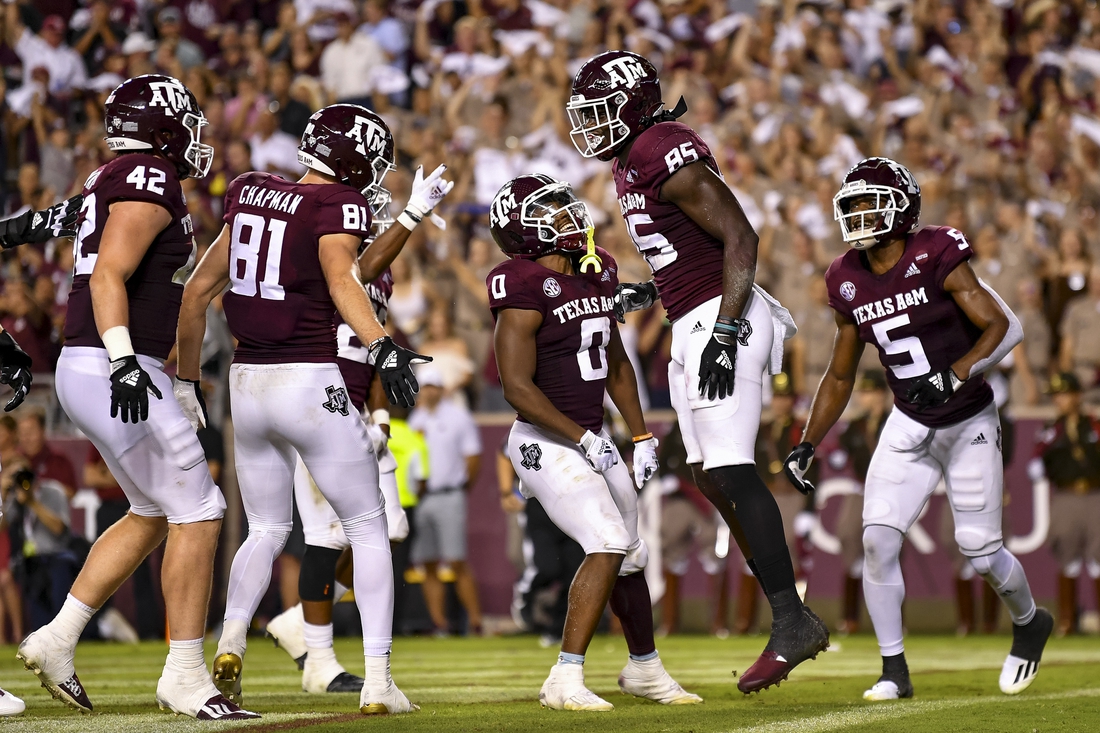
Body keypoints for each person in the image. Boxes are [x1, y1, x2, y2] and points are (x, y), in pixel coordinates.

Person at [176, 103, 450, 715]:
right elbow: (342, 279)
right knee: (368, 528)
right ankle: (378, 683)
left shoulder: (249, 190)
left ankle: (230, 642)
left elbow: (197, 292)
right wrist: (382, 348)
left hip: (245, 383)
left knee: (267, 529)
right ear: (353, 158)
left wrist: (187, 381)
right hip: (309, 379)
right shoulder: (337, 207)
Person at [568, 50, 823, 693]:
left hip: (722, 316)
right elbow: (687, 248)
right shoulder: (634, 160)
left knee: (733, 468)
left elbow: (742, 238)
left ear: (629, 104)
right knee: (710, 475)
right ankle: (787, 614)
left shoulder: (659, 146)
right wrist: (651, 294)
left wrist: (728, 328)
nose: (590, 126)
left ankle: (791, 620)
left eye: (598, 111)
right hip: (695, 316)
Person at [16, 74, 255, 720]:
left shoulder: (111, 175)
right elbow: (111, 272)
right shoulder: (150, 176)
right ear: (161, 126)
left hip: (94, 362)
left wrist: (18, 227)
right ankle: (183, 672)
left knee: (154, 511)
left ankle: (57, 637)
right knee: (200, 509)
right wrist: (126, 360)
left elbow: (70, 220)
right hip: (111, 362)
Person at [783, 156, 1053, 701]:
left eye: (869, 204)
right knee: (878, 539)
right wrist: (807, 440)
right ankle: (893, 671)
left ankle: (1029, 621)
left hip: (968, 418)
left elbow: (1001, 326)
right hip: (908, 422)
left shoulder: (937, 251)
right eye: (851, 206)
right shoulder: (844, 277)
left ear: (902, 207)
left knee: (979, 549)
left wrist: (953, 376)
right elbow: (840, 373)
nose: (859, 216)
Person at [489, 173, 700, 711]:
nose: (568, 219)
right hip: (544, 438)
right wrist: (583, 436)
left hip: (592, 434)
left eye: (565, 207)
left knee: (630, 554)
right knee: (606, 540)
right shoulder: (519, 282)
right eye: (551, 212)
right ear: (521, 231)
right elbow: (517, 386)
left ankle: (645, 670)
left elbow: (614, 361)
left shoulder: (598, 266)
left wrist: (641, 433)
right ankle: (565, 676)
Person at [264, 203, 415, 694]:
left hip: (360, 417)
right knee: (327, 537)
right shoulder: (321, 259)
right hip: (319, 411)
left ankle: (295, 621)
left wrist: (383, 421)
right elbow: (352, 275)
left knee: (391, 530)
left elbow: (376, 353)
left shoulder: (380, 276)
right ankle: (319, 661)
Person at [408, 365, 483, 634]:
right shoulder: (413, 419)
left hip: (449, 494)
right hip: (420, 499)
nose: (428, 392)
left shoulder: (458, 416)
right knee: (427, 563)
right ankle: (439, 623)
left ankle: (475, 621)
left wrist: (462, 488)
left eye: (432, 386)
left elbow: (473, 457)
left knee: (456, 560)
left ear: (440, 389)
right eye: (424, 387)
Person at [1032, 373, 1100, 636]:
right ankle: (1067, 621)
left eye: (1064, 394)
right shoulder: (1051, 429)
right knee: (1067, 555)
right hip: (1065, 495)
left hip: (1094, 493)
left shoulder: (1093, 424)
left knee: (1098, 558)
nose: (1059, 400)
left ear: (1076, 396)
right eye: (1056, 396)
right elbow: (1037, 460)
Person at [830, 370, 891, 635]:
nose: (863, 397)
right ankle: (850, 617)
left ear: (881, 393)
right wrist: (838, 457)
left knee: (888, 550)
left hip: (889, 490)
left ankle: (893, 620)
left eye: (868, 392)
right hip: (861, 488)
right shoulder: (855, 425)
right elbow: (838, 449)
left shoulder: (895, 421)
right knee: (846, 533)